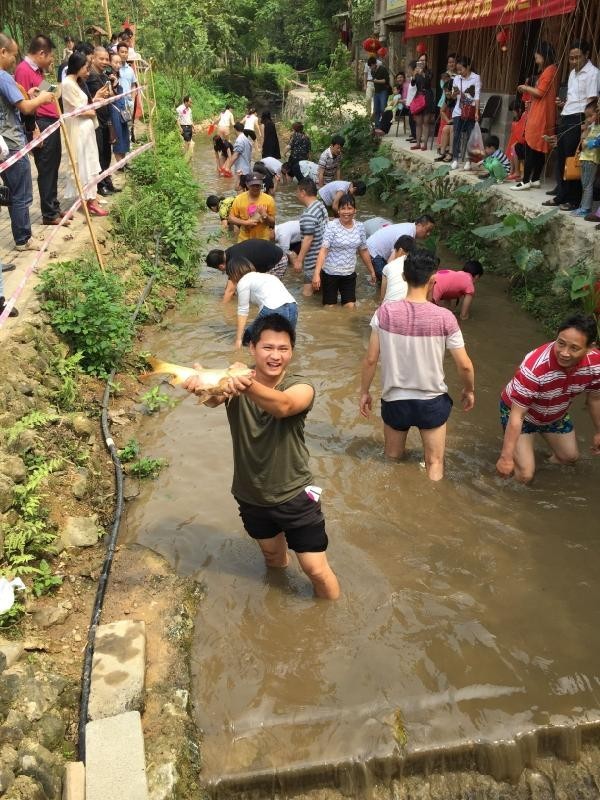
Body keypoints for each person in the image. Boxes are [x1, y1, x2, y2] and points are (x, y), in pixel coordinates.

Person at [182, 314, 340, 600]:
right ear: (252, 348)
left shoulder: (300, 385)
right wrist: (200, 385)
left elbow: (285, 405)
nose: (276, 355)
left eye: (283, 348)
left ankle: (331, 626)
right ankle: (276, 606)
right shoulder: (233, 380)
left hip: (296, 494)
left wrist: (245, 383)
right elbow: (214, 398)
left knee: (316, 570)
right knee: (272, 559)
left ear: (292, 351)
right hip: (250, 494)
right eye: (268, 347)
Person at [360, 249, 475, 481]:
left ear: (403, 277)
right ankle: (433, 510)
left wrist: (364, 392)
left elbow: (371, 359)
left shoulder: (385, 312)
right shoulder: (445, 317)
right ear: (433, 279)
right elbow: (464, 366)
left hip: (395, 400)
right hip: (431, 402)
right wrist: (469, 390)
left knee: (392, 459)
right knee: (435, 463)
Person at [496, 314, 600, 484]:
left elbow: (595, 399)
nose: (564, 353)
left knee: (569, 458)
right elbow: (517, 416)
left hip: (555, 414)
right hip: (522, 414)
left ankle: (534, 462)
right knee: (525, 476)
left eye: (574, 348)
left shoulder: (595, 365)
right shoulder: (534, 368)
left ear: (590, 348)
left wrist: (599, 431)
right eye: (561, 343)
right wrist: (505, 457)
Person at [0, 33, 56, 250]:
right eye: (13, 55)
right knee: (21, 192)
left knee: (14, 191)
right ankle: (23, 239)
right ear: (2, 52)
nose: (15, 60)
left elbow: (15, 101)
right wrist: (41, 98)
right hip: (12, 142)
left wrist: (29, 94)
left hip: (4, 143)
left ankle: (23, 236)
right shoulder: (3, 76)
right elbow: (24, 107)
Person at [14, 35, 68, 227]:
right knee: (46, 168)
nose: (52, 59)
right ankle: (49, 213)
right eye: (50, 56)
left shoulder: (38, 71)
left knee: (53, 166)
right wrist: (33, 129)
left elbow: (50, 91)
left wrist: (57, 85)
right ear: (41, 53)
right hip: (40, 123)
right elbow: (24, 104)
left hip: (51, 122)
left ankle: (53, 205)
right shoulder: (22, 70)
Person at [543, 40, 599, 211]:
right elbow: (574, 96)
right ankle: (562, 194)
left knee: (573, 159)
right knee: (561, 157)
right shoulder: (572, 73)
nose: (574, 61)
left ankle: (574, 199)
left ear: (587, 55)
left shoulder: (593, 73)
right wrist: (563, 104)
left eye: (577, 57)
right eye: (571, 58)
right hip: (567, 114)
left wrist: (586, 124)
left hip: (579, 117)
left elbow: (591, 102)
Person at [62, 51, 109, 217]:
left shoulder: (76, 82)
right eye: (85, 67)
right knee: (84, 164)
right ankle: (88, 200)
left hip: (87, 130)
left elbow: (85, 106)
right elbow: (79, 110)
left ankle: (91, 199)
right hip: (79, 130)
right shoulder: (67, 84)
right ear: (77, 67)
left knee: (91, 162)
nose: (88, 71)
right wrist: (92, 110)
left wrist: (95, 101)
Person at [312, 194, 376, 307]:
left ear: (355, 210)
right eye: (343, 208)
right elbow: (323, 250)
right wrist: (316, 274)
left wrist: (371, 271)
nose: (346, 212)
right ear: (338, 210)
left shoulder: (360, 227)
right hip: (330, 273)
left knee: (350, 307)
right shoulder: (331, 226)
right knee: (329, 307)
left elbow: (363, 250)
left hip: (349, 273)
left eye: (349, 208)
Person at [511, 42, 558, 191]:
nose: (535, 56)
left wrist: (525, 88)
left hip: (540, 114)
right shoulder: (551, 69)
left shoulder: (549, 70)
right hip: (542, 112)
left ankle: (525, 181)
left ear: (543, 54)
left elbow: (540, 92)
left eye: (537, 53)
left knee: (531, 146)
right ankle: (536, 178)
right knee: (539, 147)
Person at [226, 257, 298, 348]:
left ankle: (242, 357)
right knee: (287, 342)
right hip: (293, 306)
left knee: (250, 338)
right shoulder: (267, 276)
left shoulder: (243, 281)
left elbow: (243, 311)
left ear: (234, 273)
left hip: (273, 308)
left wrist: (238, 339)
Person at [206, 239, 289, 303]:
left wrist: (222, 308)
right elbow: (231, 280)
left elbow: (230, 291)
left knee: (266, 293)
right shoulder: (229, 253)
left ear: (221, 266)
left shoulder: (233, 260)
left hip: (278, 261)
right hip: (270, 255)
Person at [87, 46, 120, 195]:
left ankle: (107, 180)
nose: (105, 62)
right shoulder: (92, 76)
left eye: (107, 59)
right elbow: (99, 98)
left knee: (106, 153)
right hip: (97, 121)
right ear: (93, 58)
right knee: (99, 154)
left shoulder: (104, 75)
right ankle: (100, 185)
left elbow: (110, 96)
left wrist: (113, 84)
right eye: (101, 59)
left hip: (106, 119)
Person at [366, 215, 435, 280]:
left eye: (431, 231)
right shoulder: (407, 234)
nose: (429, 234)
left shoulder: (410, 228)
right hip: (373, 251)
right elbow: (392, 261)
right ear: (419, 225)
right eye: (427, 230)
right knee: (385, 278)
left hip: (375, 248)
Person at [295, 178, 328, 297]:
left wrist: (299, 260)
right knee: (322, 294)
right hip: (325, 256)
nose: (296, 194)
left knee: (307, 295)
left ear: (303, 192)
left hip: (313, 259)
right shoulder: (320, 206)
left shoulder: (308, 214)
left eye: (297, 191)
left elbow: (308, 238)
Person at [450, 56, 481, 171]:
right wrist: (454, 93)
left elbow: (477, 96)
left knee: (469, 135)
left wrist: (477, 111)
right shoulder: (457, 78)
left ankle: (468, 160)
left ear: (468, 67)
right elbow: (453, 96)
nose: (459, 72)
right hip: (458, 110)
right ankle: (455, 159)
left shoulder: (476, 78)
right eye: (458, 70)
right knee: (456, 134)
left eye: (461, 69)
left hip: (471, 109)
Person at [228, 171, 276, 241]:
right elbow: (230, 218)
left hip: (263, 238)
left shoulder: (269, 199)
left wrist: (265, 216)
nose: (256, 187)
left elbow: (273, 222)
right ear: (247, 185)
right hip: (244, 238)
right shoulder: (239, 199)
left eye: (258, 185)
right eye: (253, 185)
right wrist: (245, 222)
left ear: (262, 184)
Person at [572, 100, 600, 217]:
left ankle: (586, 208)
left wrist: (587, 144)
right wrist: (587, 128)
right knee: (584, 184)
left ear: (598, 113)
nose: (588, 118)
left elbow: (598, 142)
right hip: (584, 158)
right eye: (586, 116)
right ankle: (583, 206)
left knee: (588, 185)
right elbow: (582, 138)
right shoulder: (592, 127)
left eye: (590, 116)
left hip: (591, 159)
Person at [108, 53, 130, 165]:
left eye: (119, 63)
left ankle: (124, 161)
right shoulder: (109, 77)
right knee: (117, 135)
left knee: (125, 134)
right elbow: (111, 95)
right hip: (114, 110)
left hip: (122, 108)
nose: (117, 65)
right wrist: (114, 84)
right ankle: (119, 164)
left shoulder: (120, 76)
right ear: (110, 63)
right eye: (115, 62)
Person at [409, 59, 435, 151]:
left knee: (426, 121)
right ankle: (418, 143)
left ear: (426, 62)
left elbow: (427, 83)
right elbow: (413, 84)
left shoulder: (429, 72)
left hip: (427, 96)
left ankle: (425, 144)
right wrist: (414, 75)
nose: (422, 62)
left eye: (424, 60)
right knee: (418, 122)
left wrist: (422, 73)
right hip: (419, 97)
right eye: (420, 60)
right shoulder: (416, 71)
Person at [380, 235, 415, 302]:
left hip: (390, 307)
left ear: (400, 251)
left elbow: (382, 297)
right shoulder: (418, 266)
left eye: (395, 251)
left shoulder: (388, 267)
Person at [368, 55, 390, 129]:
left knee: (383, 109)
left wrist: (376, 81)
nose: (370, 68)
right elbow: (374, 80)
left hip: (383, 91)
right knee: (376, 109)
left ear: (374, 64)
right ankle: (377, 126)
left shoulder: (382, 69)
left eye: (371, 66)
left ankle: (383, 126)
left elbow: (385, 80)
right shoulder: (372, 71)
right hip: (376, 92)